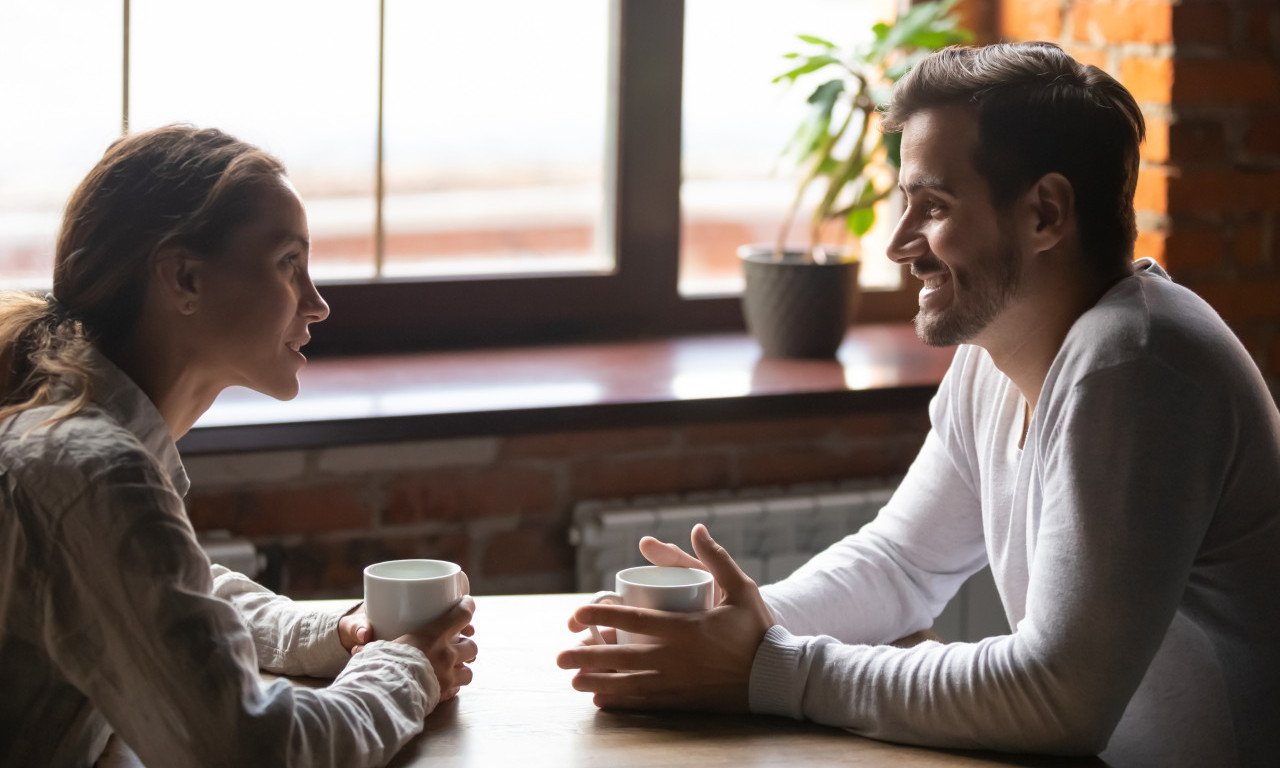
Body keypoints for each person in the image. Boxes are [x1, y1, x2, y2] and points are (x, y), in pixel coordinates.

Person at [557, 42, 1280, 768]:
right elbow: (900, 565)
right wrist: (720, 629)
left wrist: (764, 667)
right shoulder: (994, 358)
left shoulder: (1135, 362)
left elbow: (1057, 697)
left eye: (933, 207)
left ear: (1045, 214)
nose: (900, 244)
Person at [0, 125, 478, 767]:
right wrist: (407, 668)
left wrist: (335, 634)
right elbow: (253, 749)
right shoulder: (91, 470)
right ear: (184, 278)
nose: (317, 304)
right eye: (288, 263)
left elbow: (157, 593)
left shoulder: (77, 439)